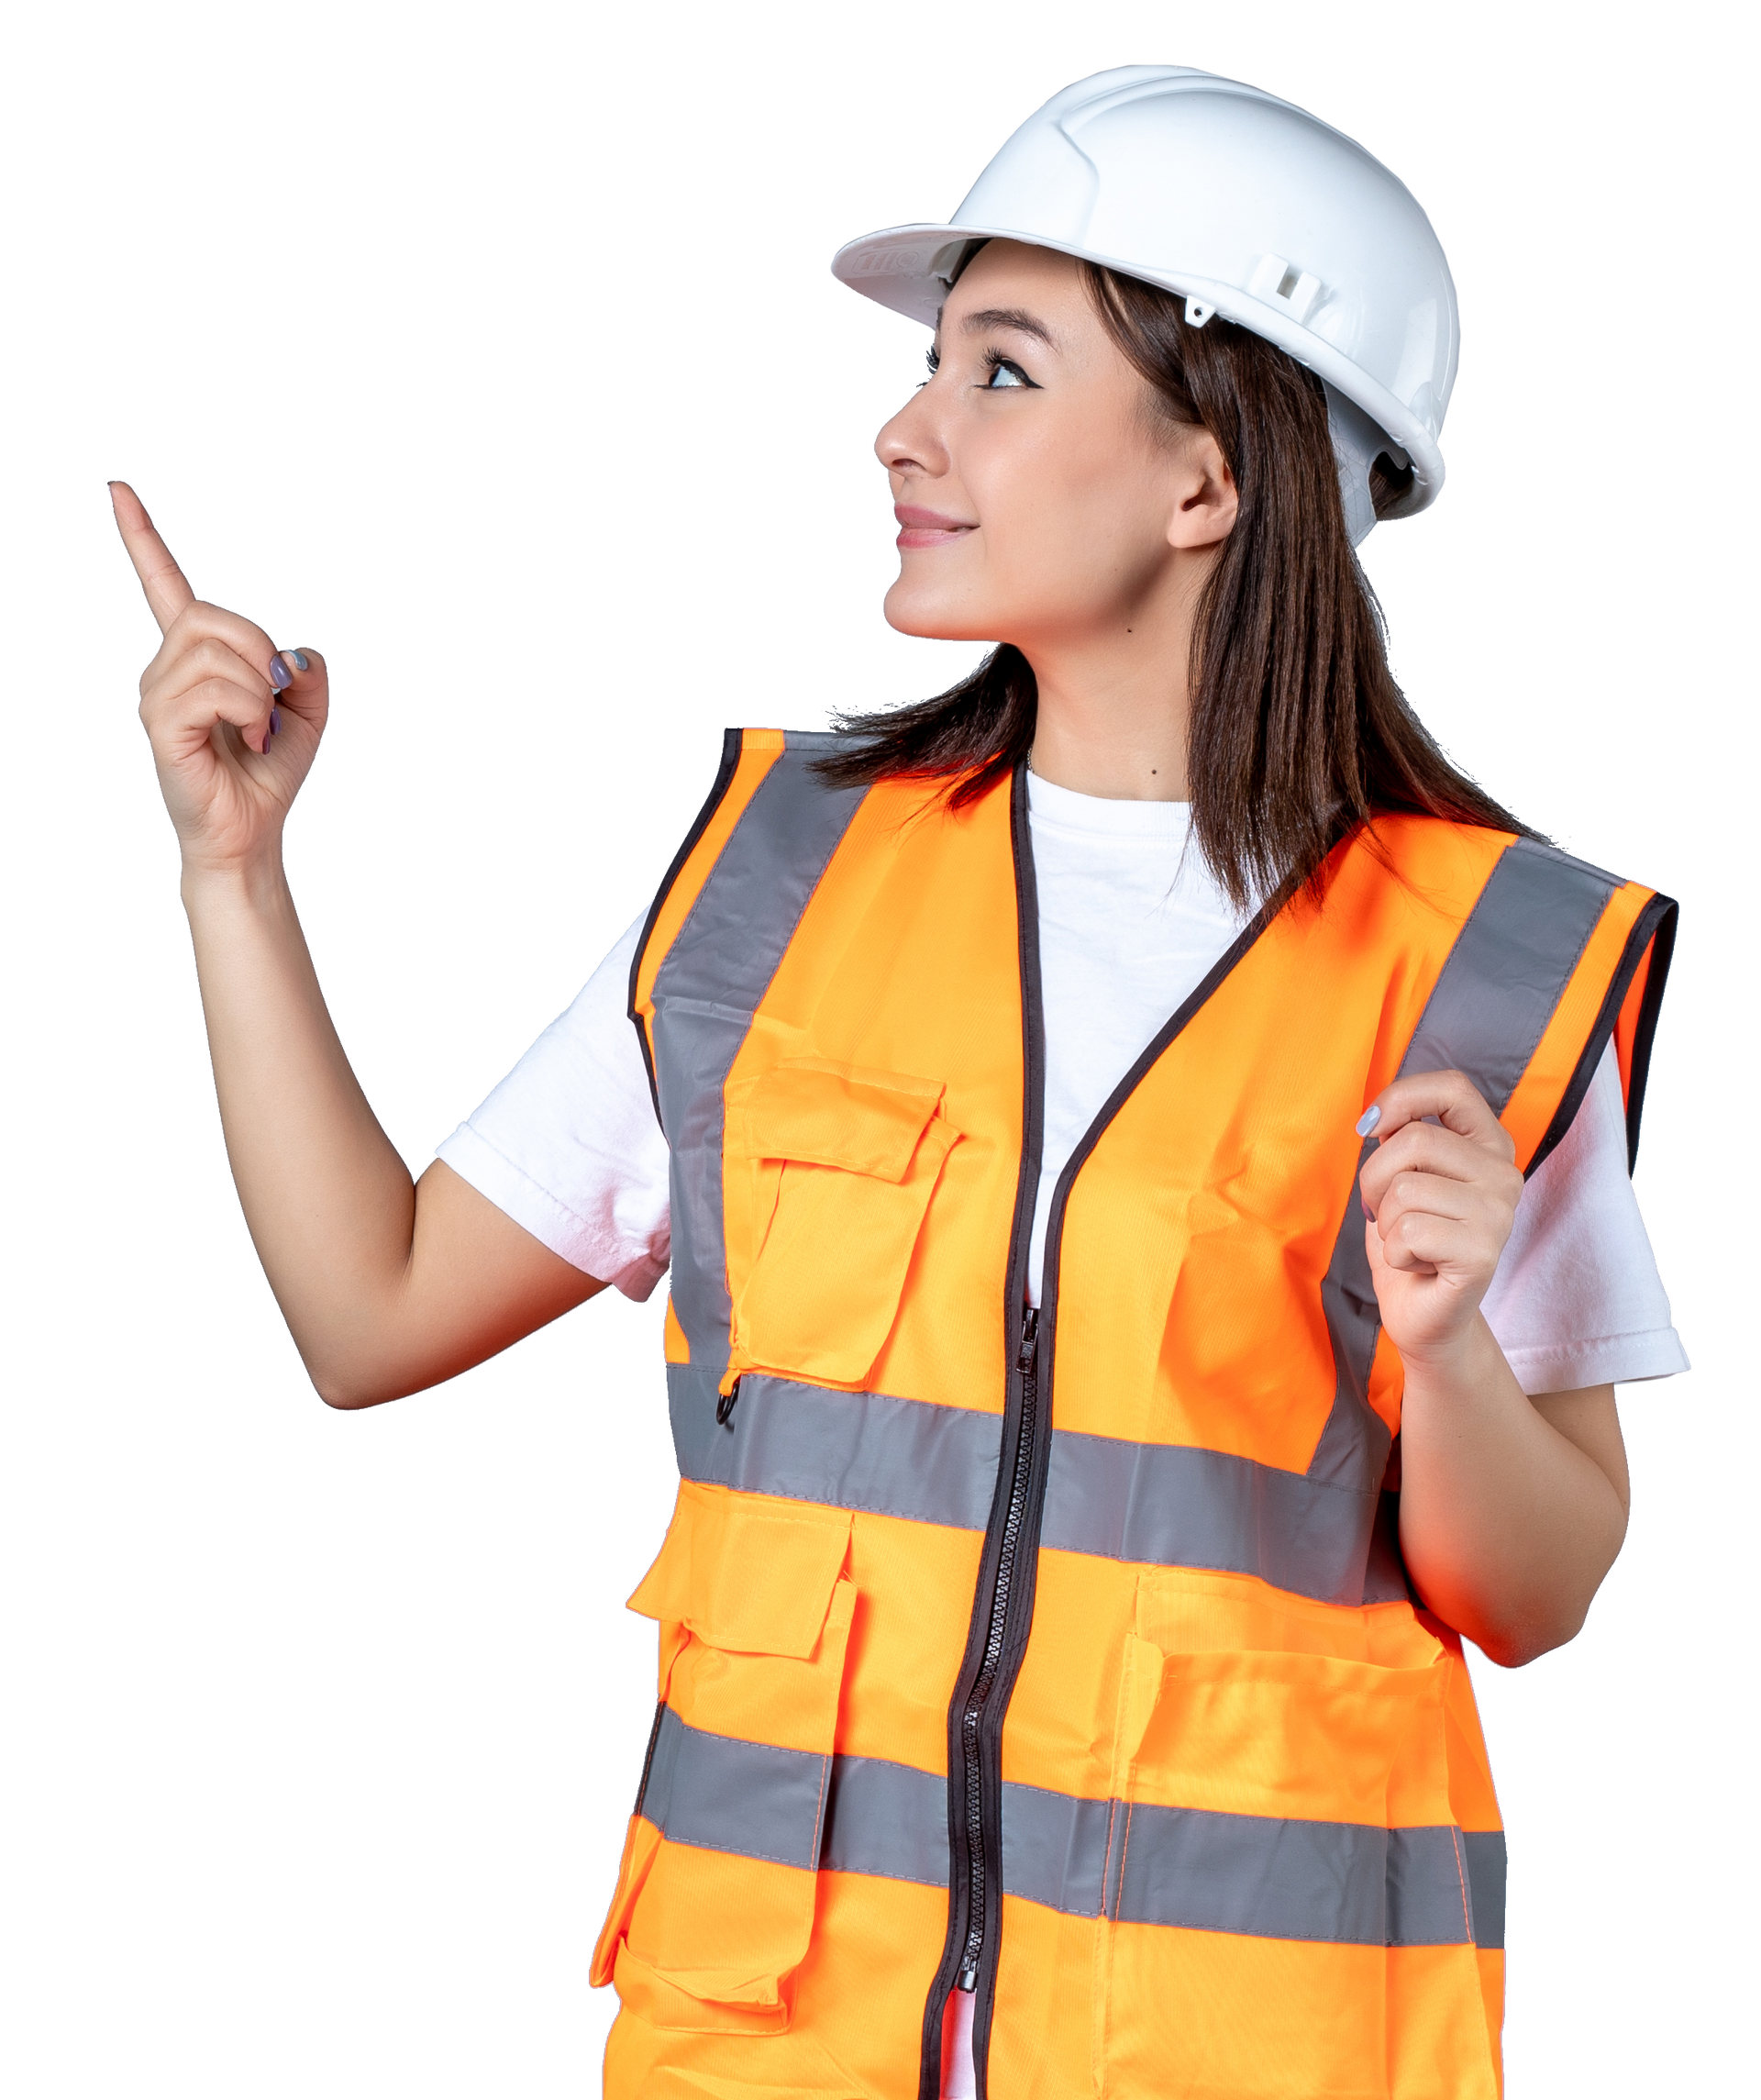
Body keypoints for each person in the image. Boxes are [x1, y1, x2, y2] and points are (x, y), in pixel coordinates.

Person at [115, 63, 1686, 2100]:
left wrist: (1455, 1352)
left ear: (1211, 475)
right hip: (771, 2049)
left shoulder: (1482, 966)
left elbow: (1540, 1595)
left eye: (1003, 373)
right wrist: (231, 876)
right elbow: (369, 1313)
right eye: (932, 366)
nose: (904, 428)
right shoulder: (781, 879)